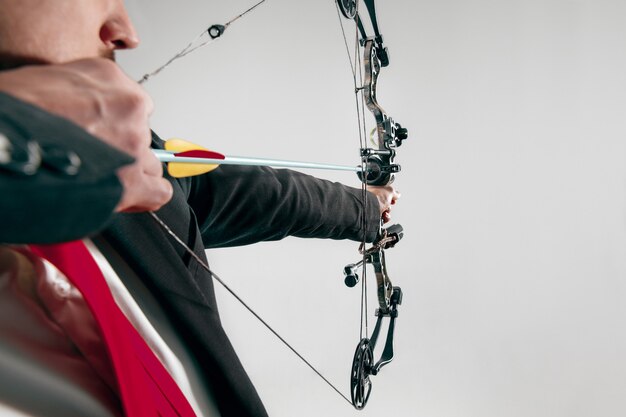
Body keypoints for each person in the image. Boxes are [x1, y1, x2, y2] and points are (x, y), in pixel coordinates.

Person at [0, 1, 400, 416]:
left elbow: (258, 196)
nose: (125, 32)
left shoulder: (128, 179)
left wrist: (364, 209)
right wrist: (30, 128)